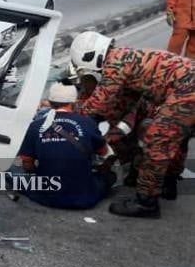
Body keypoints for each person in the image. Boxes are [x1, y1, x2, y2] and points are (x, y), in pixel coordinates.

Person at [71, 31, 195, 218]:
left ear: (91, 56)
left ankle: (146, 202)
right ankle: (167, 183)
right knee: (179, 137)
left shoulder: (114, 64)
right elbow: (122, 105)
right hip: (187, 84)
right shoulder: (127, 58)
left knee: (157, 140)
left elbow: (96, 105)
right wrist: (109, 134)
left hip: (187, 88)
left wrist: (70, 121)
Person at [18, 83, 115, 209]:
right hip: (84, 198)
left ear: (50, 102)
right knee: (110, 177)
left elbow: (27, 164)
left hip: (46, 196)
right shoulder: (87, 123)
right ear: (73, 102)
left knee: (12, 174)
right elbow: (104, 152)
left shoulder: (36, 126)